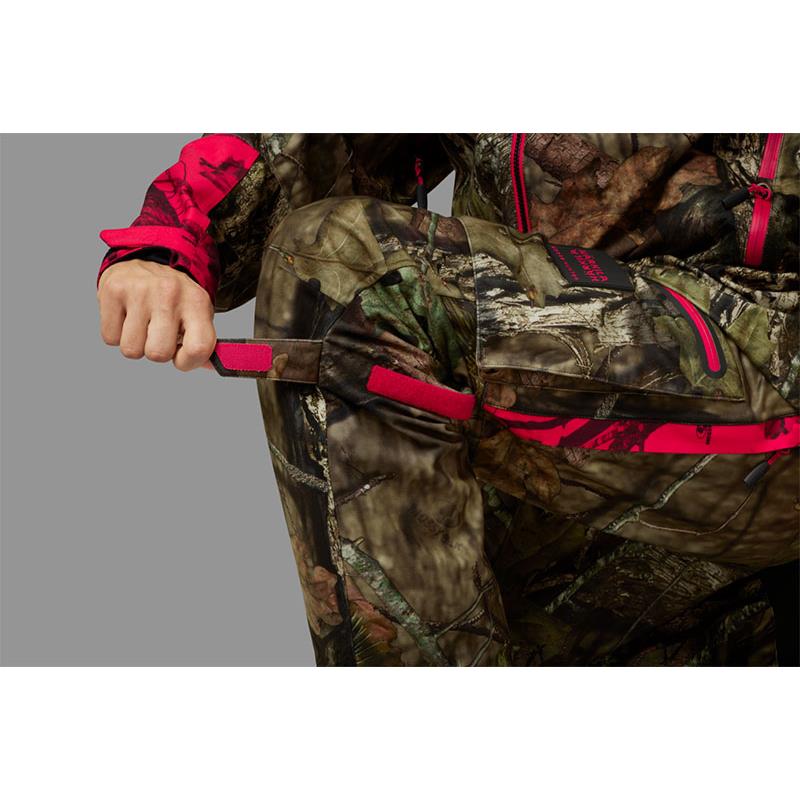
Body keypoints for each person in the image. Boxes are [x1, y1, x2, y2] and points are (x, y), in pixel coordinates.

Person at [96, 133, 799, 666]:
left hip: (764, 371)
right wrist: (168, 244)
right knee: (479, 605)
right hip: (575, 426)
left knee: (346, 268)